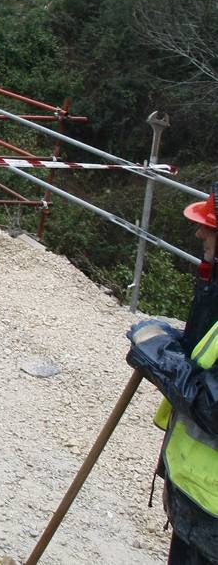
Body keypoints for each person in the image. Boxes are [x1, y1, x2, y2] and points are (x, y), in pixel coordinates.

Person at [127, 185, 218, 563]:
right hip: (201, 501)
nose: (200, 233)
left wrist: (155, 352)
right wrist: (176, 342)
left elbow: (211, 405)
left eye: (211, 227)